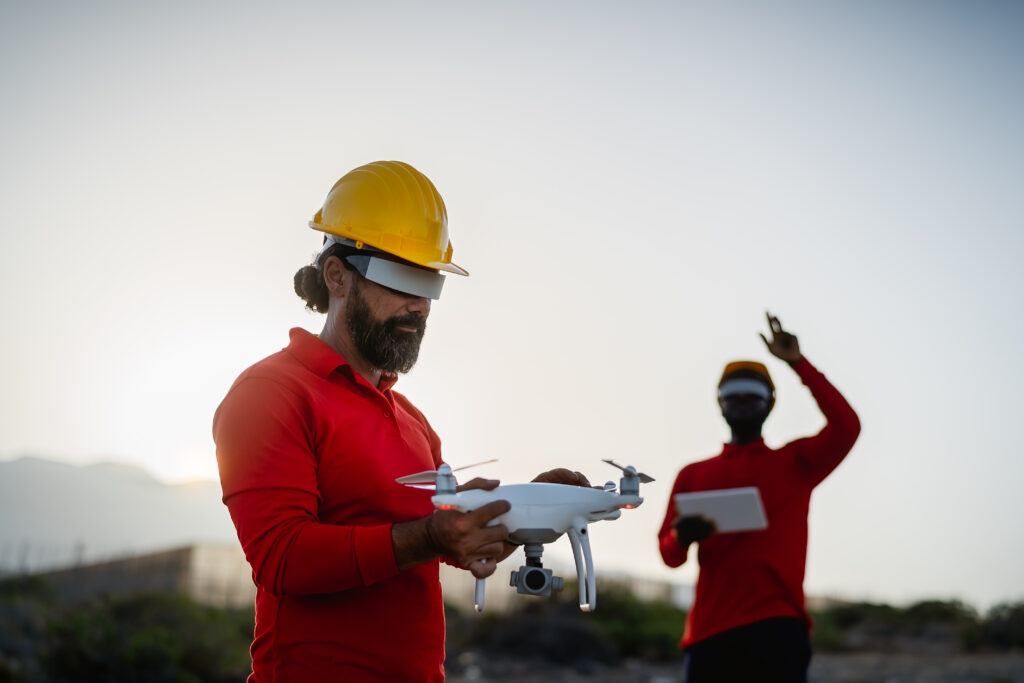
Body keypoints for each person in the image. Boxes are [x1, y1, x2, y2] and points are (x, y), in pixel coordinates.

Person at [213, 160, 588, 682]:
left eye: (429, 285)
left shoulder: (412, 420)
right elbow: (282, 558)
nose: (420, 307)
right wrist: (430, 537)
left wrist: (531, 511)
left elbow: (452, 540)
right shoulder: (271, 393)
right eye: (400, 282)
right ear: (337, 276)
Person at [658, 313, 861, 682]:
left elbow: (848, 427)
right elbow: (669, 553)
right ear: (719, 404)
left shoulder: (796, 462)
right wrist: (682, 537)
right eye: (731, 396)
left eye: (753, 395)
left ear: (770, 403)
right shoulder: (693, 474)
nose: (742, 402)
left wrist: (799, 364)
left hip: (777, 626)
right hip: (709, 630)